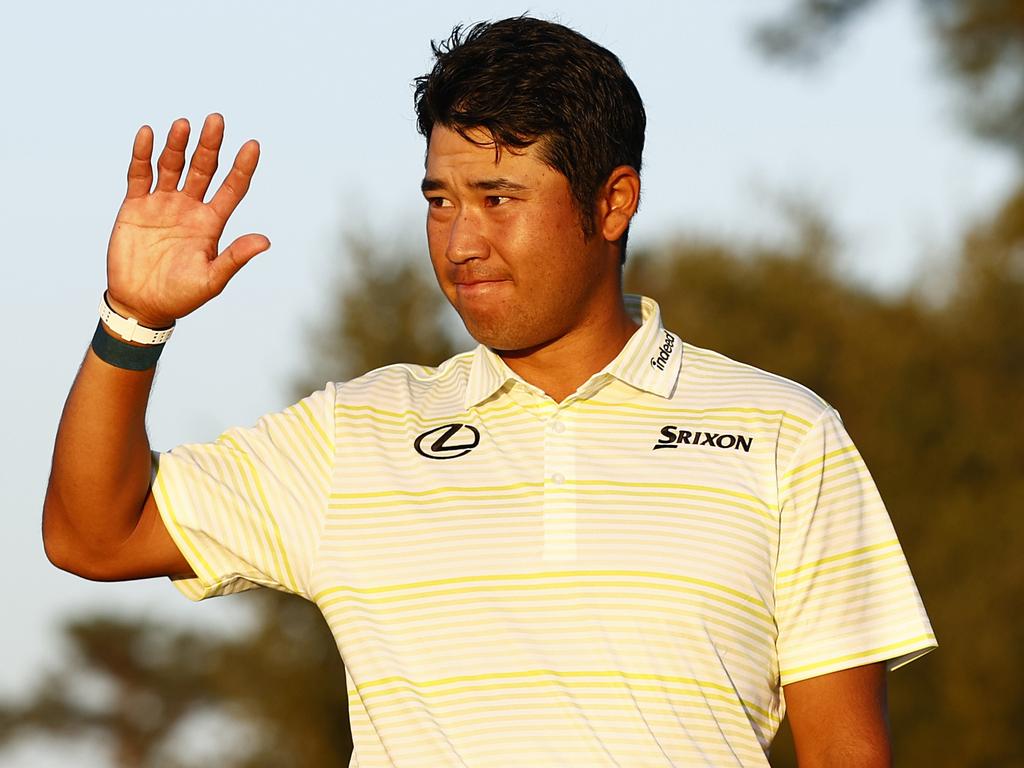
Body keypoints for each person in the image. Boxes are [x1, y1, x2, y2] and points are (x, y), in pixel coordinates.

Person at [43, 16, 934, 768]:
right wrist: (132, 322)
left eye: (498, 197)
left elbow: (844, 754)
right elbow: (93, 534)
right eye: (439, 200)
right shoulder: (356, 431)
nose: (459, 240)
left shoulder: (784, 431)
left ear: (613, 202)